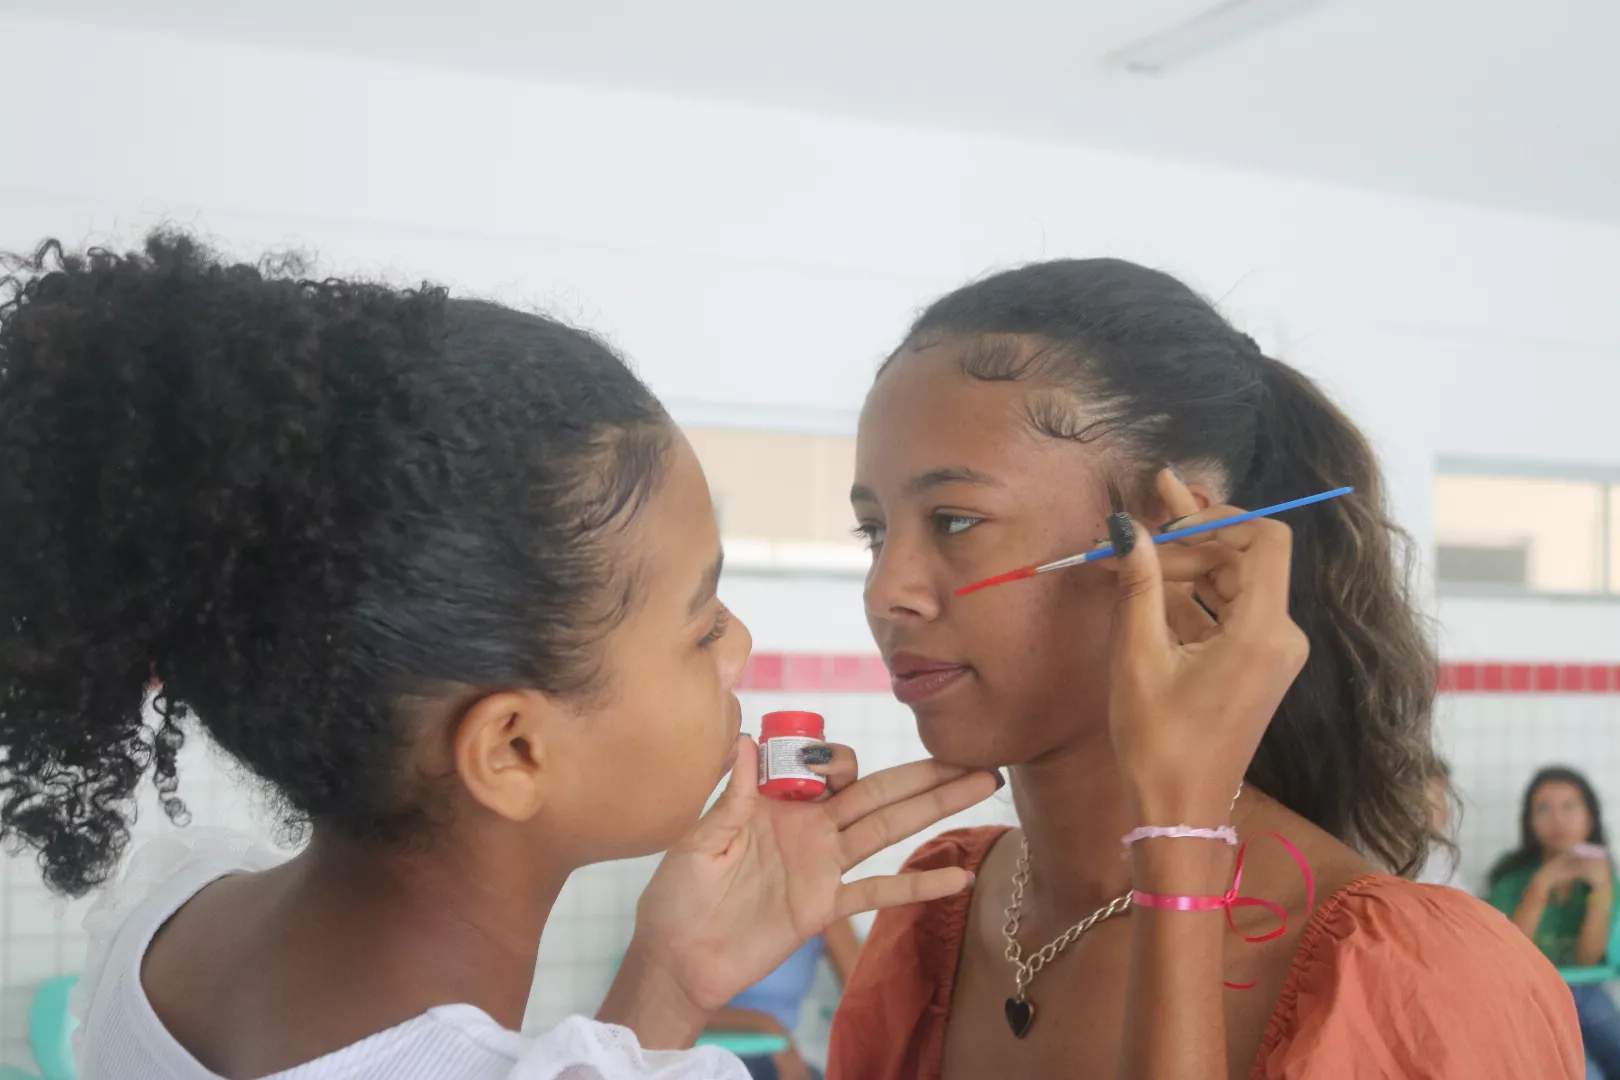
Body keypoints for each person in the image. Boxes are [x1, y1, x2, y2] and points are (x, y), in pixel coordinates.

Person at [0, 234, 1003, 1080]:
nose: (738, 645)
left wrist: (668, 978)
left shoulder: (171, 936)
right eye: (701, 623)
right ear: (513, 750)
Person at [829, 259, 1583, 1078]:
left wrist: (1177, 843)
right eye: (874, 531)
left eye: (954, 520)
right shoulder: (933, 915)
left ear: (1177, 534)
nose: (886, 591)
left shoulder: (1426, 983)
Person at [1488, 767, 1620, 1079]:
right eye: (1544, 809)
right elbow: (1509, 956)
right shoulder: (1509, 878)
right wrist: (1541, 885)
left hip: (1584, 988)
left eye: (1569, 807)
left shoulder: (1603, 877)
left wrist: (1601, 891)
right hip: (1529, 996)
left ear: (1590, 817)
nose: (1557, 820)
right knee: (1585, 1073)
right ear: (1530, 821)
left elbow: (1586, 961)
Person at [704, 919, 861, 1080]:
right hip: (708, 1053)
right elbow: (687, 1011)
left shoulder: (825, 913)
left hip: (777, 1057)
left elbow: (863, 996)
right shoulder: (709, 911)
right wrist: (767, 1026)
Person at [1417, 757, 1468, 889]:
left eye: (1445, 795)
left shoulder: (1441, 851)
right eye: (1438, 796)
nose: (1446, 807)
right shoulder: (1400, 859)